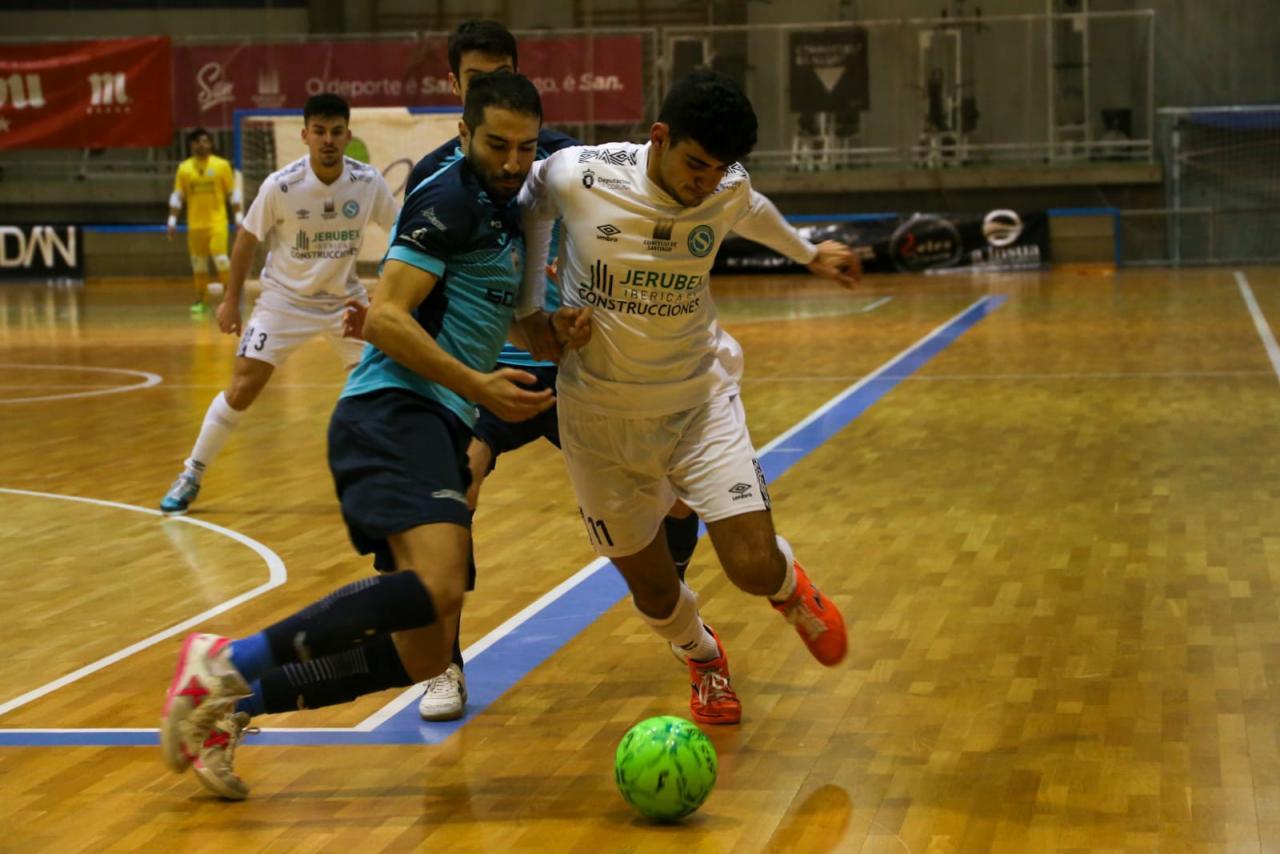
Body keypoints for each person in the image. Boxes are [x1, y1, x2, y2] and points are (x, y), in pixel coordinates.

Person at [160, 71, 591, 801]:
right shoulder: (447, 198)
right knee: (438, 584)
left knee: (423, 651)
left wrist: (557, 333)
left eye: (525, 147)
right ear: (463, 135)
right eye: (496, 144)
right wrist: (479, 387)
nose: (514, 161)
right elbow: (388, 319)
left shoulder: (513, 211)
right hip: (393, 409)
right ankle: (223, 661)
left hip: (437, 420)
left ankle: (231, 708)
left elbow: (516, 324)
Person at [516, 69, 861, 727]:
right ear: (658, 137)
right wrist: (536, 315)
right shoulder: (576, 174)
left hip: (698, 402)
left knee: (752, 566)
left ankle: (791, 592)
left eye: (719, 168)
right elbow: (531, 208)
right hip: (597, 416)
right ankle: (700, 656)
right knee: (652, 586)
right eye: (695, 163)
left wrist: (809, 253)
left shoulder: (724, 186)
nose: (706, 180)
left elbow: (750, 207)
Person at [397, 20, 702, 722]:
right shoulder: (433, 180)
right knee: (453, 497)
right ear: (456, 88)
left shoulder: (562, 162)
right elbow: (413, 289)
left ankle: (668, 596)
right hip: (479, 373)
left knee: (675, 497)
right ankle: (444, 662)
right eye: (477, 79)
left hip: (571, 367)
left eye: (503, 72)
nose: (493, 88)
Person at [158, 94, 399, 515]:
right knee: (243, 386)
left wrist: (387, 293)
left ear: (348, 136)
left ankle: (390, 479)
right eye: (319, 131)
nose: (328, 140)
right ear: (304, 135)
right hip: (284, 301)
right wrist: (231, 301)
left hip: (346, 302)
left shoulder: (368, 182)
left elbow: (399, 230)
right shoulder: (281, 185)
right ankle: (192, 472)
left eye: (336, 132)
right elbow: (248, 238)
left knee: (383, 388)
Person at [168, 128, 242, 314]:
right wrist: (171, 220)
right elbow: (178, 196)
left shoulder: (221, 165)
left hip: (217, 223)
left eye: (205, 141)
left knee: (221, 260)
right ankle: (201, 299)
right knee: (198, 263)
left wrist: (239, 218)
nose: (201, 145)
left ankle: (230, 300)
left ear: (211, 144)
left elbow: (232, 194)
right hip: (195, 226)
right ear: (191, 145)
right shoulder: (184, 168)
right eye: (197, 142)